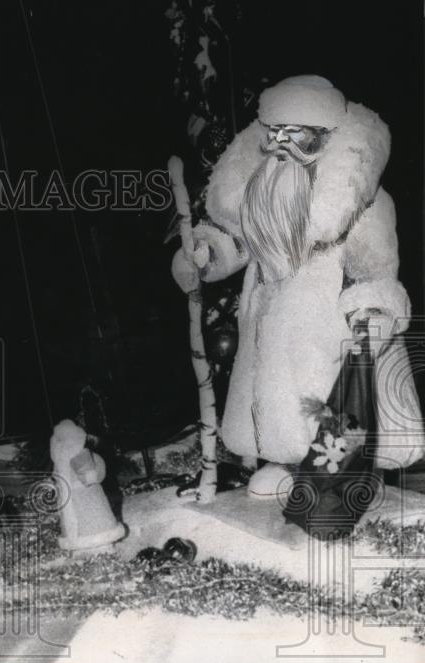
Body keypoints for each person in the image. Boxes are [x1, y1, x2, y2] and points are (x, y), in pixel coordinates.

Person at [172, 75, 424, 499]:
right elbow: (238, 243)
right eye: (275, 136)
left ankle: (351, 474)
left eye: (300, 138)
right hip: (270, 317)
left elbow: (378, 270)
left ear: (325, 137)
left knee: (335, 402)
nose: (284, 148)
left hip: (329, 322)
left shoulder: (360, 202)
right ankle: (285, 462)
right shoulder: (261, 192)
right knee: (273, 394)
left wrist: (372, 309)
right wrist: (207, 254)